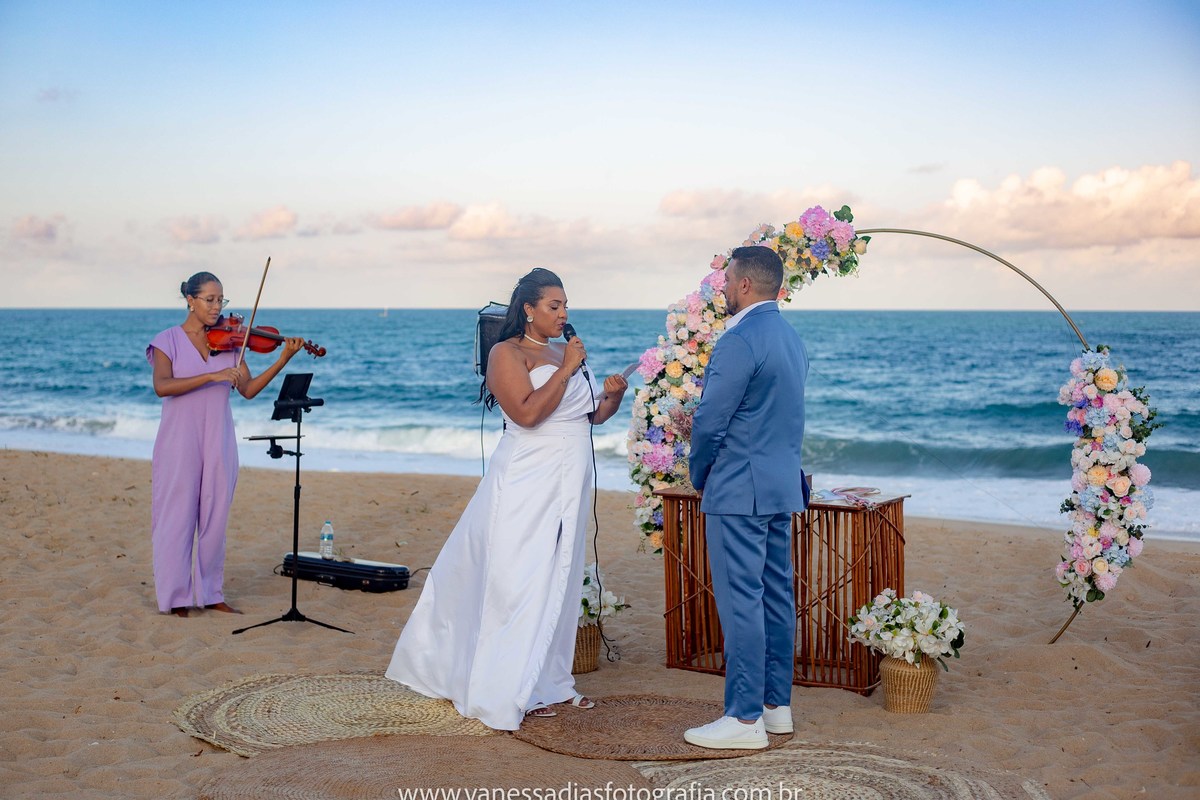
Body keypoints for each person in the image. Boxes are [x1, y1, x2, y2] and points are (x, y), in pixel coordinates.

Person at [385, 267, 629, 730]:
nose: (563, 314)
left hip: (571, 478)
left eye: (565, 306)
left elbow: (589, 416)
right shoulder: (506, 353)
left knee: (560, 572)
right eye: (554, 307)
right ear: (528, 310)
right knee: (517, 576)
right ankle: (499, 684)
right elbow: (528, 413)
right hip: (526, 479)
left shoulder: (562, 352)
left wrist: (613, 398)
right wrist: (568, 368)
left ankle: (548, 681)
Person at [684, 246, 810, 749]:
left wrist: (700, 474)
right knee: (777, 596)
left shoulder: (739, 340)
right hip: (781, 486)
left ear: (743, 285)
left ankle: (742, 719)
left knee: (742, 602)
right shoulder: (792, 338)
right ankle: (776, 707)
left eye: (727, 280)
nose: (723, 288)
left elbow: (710, 421)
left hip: (739, 488)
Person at [148, 272, 304, 617]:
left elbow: (247, 391)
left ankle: (210, 592)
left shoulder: (231, 344)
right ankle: (176, 597)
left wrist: (282, 360)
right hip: (178, 443)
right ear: (190, 300)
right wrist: (212, 376)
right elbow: (162, 386)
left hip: (219, 441)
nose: (217, 307)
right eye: (210, 299)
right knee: (175, 518)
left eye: (222, 300)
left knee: (215, 519)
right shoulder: (167, 341)